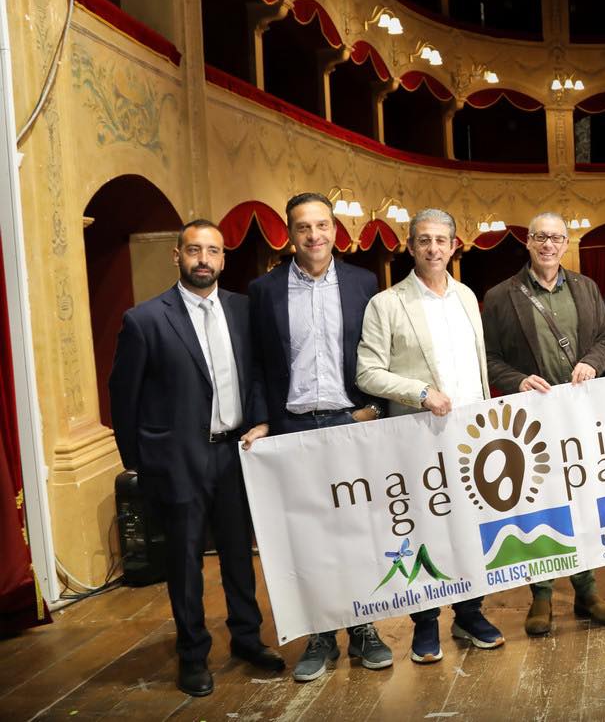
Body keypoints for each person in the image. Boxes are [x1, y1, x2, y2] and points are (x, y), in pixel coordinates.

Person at [108, 220, 283, 696]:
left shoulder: (242, 310)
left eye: (213, 251)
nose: (203, 260)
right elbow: (123, 397)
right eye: (194, 250)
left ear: (223, 258)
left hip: (236, 453)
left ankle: (247, 638)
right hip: (178, 460)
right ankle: (192, 655)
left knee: (239, 555)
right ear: (177, 256)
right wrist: (141, 463)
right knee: (184, 562)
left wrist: (260, 420)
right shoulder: (145, 320)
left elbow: (257, 373)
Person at [246, 192, 391, 680]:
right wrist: (262, 419)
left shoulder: (363, 283)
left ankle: (364, 628)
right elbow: (257, 364)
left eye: (322, 225)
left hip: (350, 424)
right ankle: (321, 635)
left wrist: (372, 410)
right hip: (292, 428)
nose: (314, 235)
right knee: (308, 539)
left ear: (335, 230)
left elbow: (377, 354)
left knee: (357, 531)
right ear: (289, 234)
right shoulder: (263, 291)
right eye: (303, 227)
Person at [355, 208, 504, 663]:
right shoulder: (386, 303)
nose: (433, 248)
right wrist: (420, 393)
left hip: (471, 437)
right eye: (424, 240)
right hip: (418, 435)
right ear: (410, 246)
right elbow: (367, 372)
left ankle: (469, 613)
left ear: (454, 246)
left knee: (469, 527)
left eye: (442, 240)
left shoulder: (466, 297)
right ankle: (424, 622)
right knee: (422, 529)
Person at [482, 212, 605, 636]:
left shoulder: (586, 288)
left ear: (566, 243)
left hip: (579, 416)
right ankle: (541, 594)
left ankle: (587, 591)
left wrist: (591, 363)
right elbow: (488, 358)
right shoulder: (500, 296)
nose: (548, 245)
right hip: (531, 420)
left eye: (556, 238)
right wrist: (517, 380)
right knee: (540, 505)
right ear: (528, 241)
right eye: (540, 237)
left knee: (581, 499)